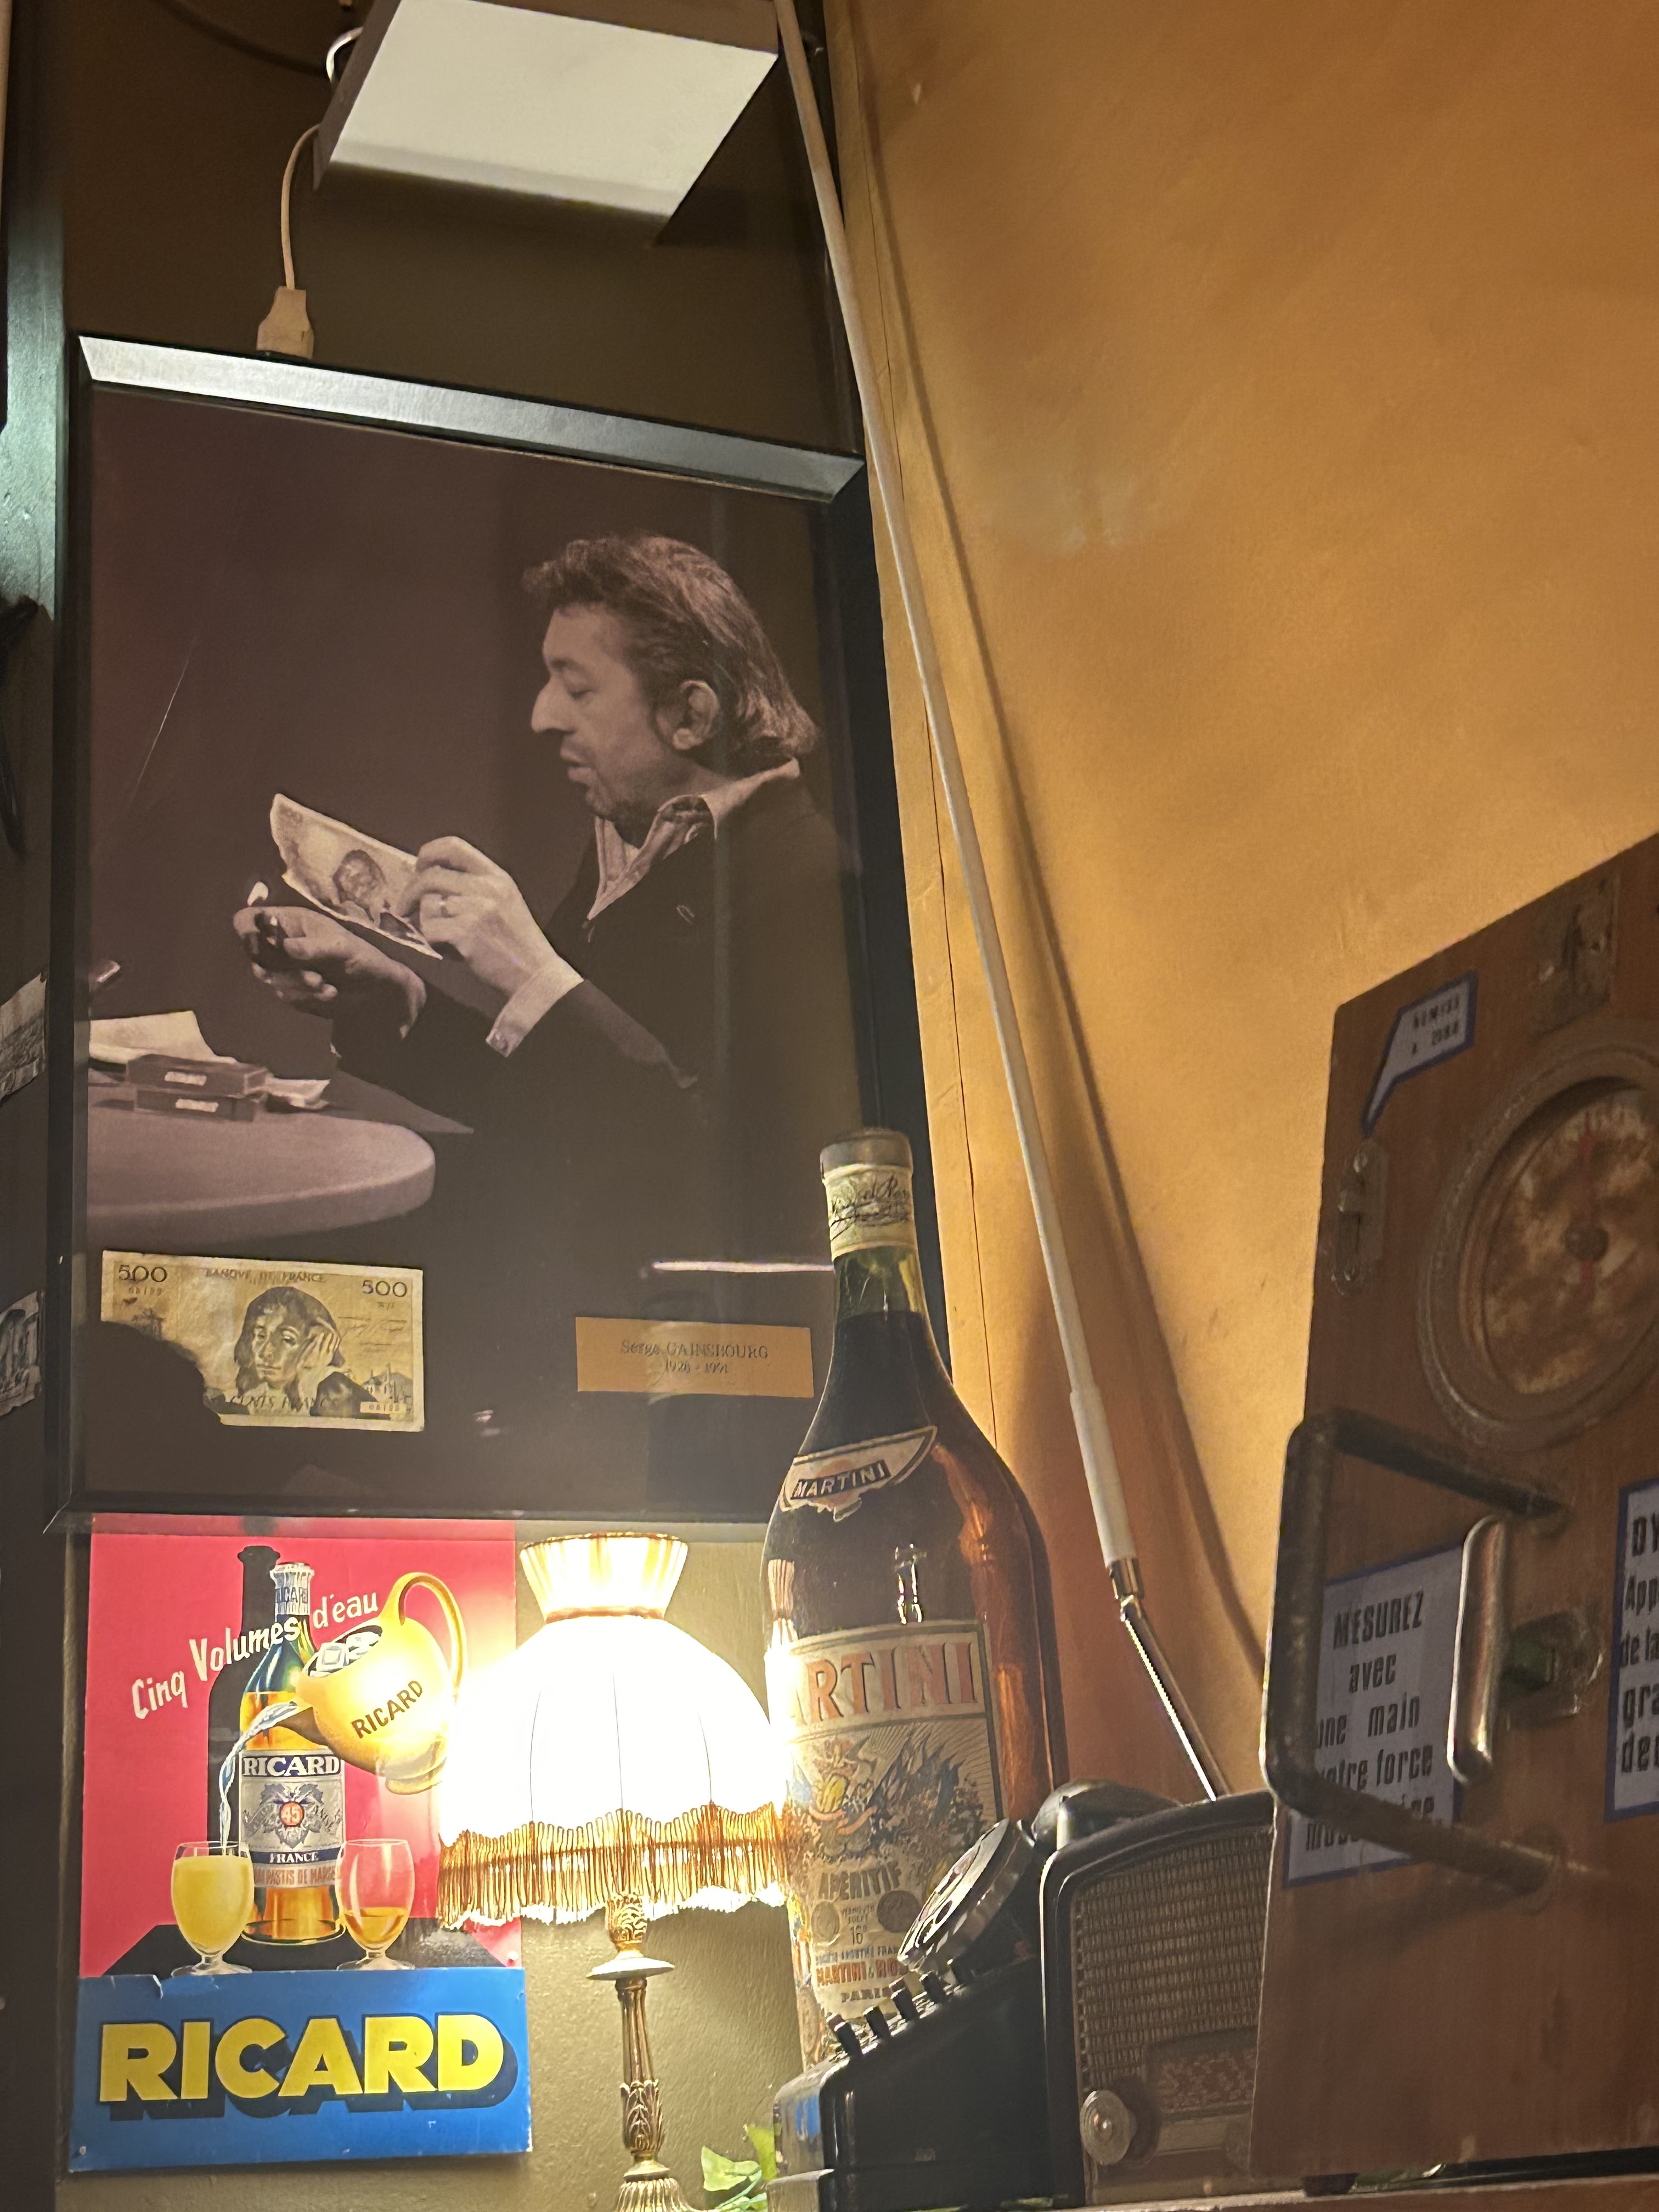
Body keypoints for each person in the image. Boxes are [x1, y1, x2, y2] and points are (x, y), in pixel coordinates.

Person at [234, 533, 860, 1292]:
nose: (541, 716)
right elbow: (560, 1107)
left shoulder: (812, 886)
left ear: (691, 714)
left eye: (578, 689)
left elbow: (731, 1186)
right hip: (564, 1273)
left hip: (652, 1323)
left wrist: (533, 972)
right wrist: (394, 1002)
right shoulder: (644, 840)